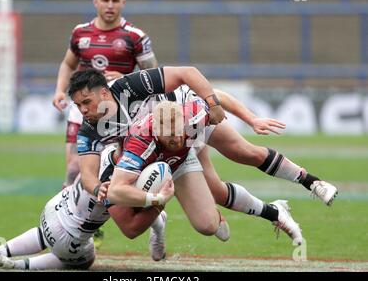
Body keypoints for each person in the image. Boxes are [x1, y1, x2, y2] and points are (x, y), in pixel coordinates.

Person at [69, 67, 337, 210]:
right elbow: (88, 174)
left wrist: (250, 118)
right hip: (158, 153)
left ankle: (312, 182)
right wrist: (96, 189)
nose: (82, 110)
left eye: (85, 102)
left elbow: (190, 74)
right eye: (78, 106)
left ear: (103, 93)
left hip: (186, 129)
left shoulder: (130, 86)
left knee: (246, 153)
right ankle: (274, 212)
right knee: (217, 196)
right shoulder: (90, 129)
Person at [100, 100, 303, 244]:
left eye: (180, 132)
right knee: (131, 227)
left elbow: (218, 97)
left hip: (181, 161)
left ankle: (273, 210)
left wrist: (251, 119)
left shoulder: (193, 114)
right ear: (156, 130)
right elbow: (116, 190)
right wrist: (157, 198)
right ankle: (158, 218)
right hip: (147, 166)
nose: (177, 139)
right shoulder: (140, 141)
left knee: (208, 225)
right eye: (170, 136)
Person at [52, 0, 159, 248]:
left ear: (123, 3)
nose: (109, 5)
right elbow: (68, 63)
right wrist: (59, 90)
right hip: (84, 110)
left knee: (116, 170)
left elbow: (153, 73)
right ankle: (79, 225)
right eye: (105, 0)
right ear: (95, 2)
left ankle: (153, 217)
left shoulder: (135, 36)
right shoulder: (80, 33)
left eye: (115, 1)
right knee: (75, 167)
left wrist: (124, 76)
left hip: (120, 110)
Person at [0, 145, 173, 270]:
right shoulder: (115, 180)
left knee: (44, 235)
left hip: (54, 208)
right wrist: (160, 199)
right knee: (85, 261)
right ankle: (15, 265)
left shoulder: (107, 149)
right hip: (69, 236)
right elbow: (131, 228)